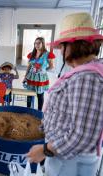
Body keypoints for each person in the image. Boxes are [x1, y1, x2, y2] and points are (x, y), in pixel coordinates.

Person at [27, 12, 103, 176]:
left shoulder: (87, 79)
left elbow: (82, 135)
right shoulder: (82, 73)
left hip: (70, 161)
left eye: (62, 46)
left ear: (74, 45)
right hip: (64, 155)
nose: (61, 51)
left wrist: (45, 150)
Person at [23, 37, 55, 110]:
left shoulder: (48, 54)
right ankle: (28, 110)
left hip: (41, 78)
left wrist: (43, 70)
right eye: (35, 43)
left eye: (39, 43)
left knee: (40, 94)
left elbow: (51, 66)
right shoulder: (32, 54)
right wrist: (25, 76)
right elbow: (29, 66)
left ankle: (39, 111)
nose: (37, 45)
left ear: (43, 44)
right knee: (29, 94)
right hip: (31, 77)